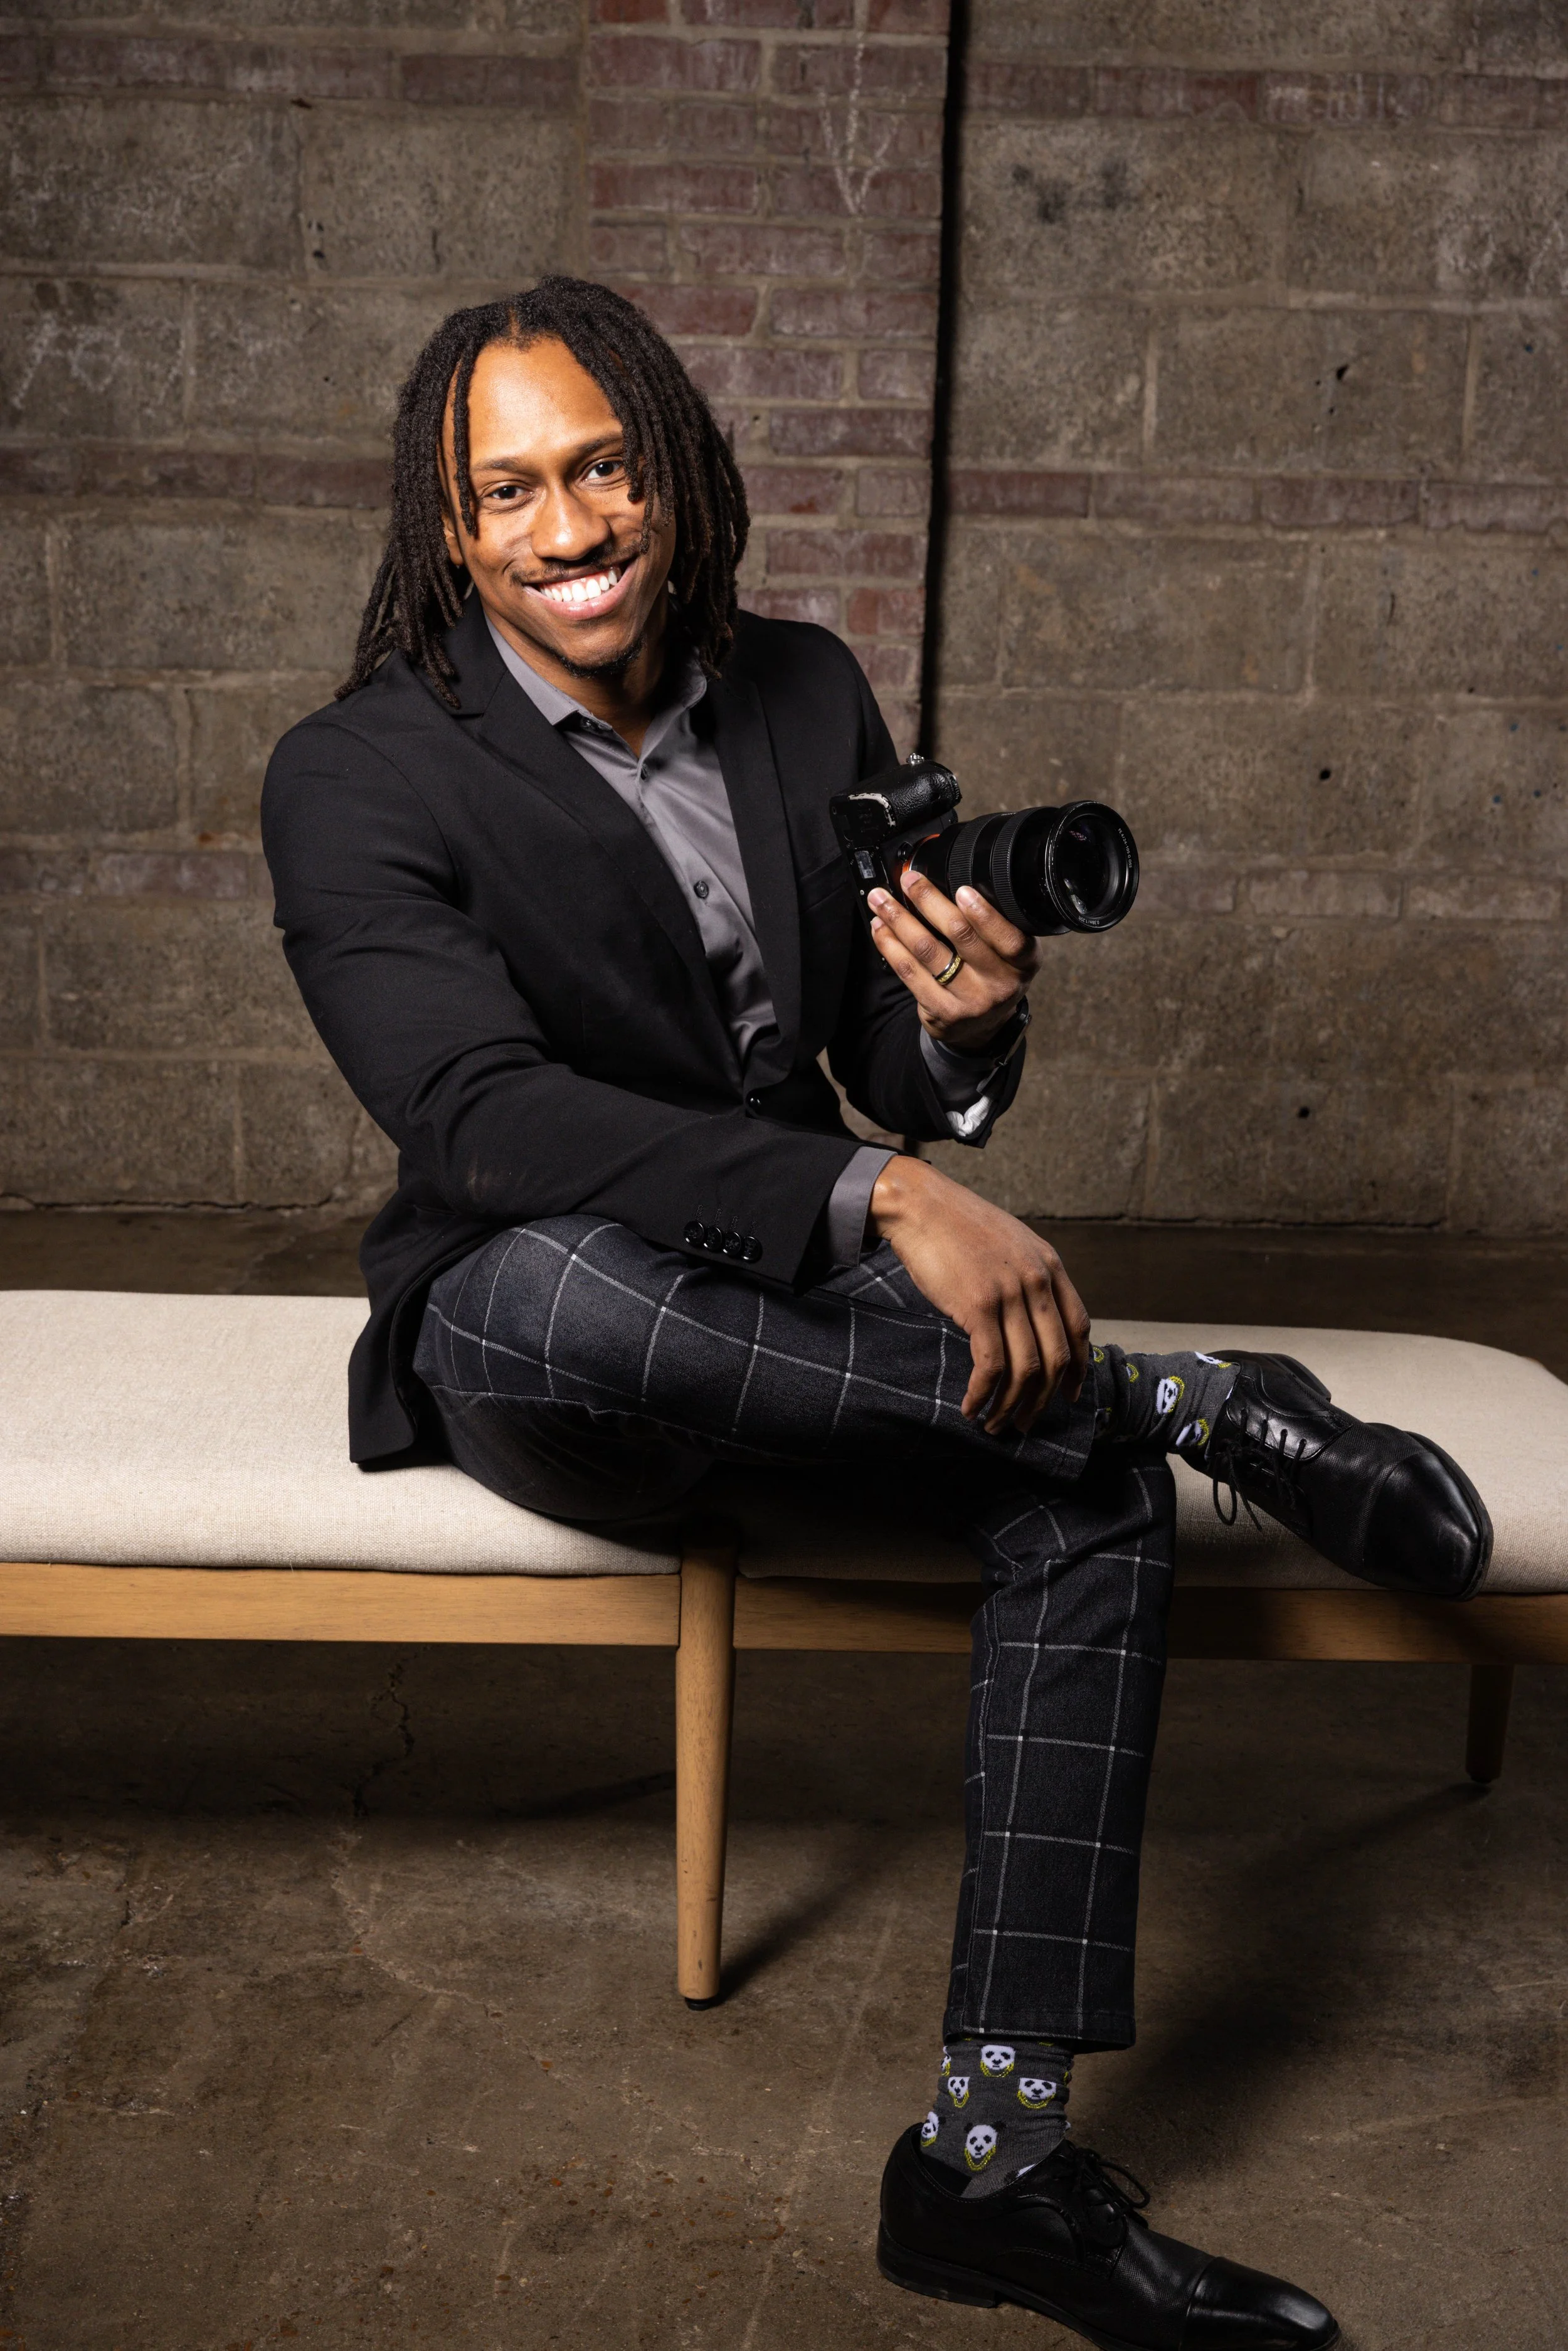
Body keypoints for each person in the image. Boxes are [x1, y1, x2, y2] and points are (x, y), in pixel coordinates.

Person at [262, 277, 1491, 2351]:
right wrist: (887, 1184)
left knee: (1075, 1496)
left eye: (599, 464)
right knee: (557, 1285)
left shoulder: (805, 690)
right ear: (449, 533)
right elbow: (478, 1121)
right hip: (562, 1335)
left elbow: (874, 1061)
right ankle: (1181, 1392)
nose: (565, 521)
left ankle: (993, 2164)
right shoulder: (359, 770)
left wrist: (963, 1040)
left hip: (819, 1331)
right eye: (508, 490)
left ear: (669, 466)